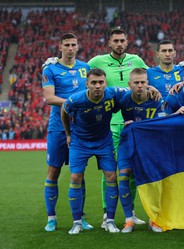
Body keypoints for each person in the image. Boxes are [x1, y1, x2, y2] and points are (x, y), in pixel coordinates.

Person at [88, 28, 147, 226]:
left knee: (133, 171)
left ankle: (130, 212)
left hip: (134, 123)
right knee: (110, 170)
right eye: (116, 40)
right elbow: (81, 73)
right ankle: (107, 213)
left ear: (127, 41)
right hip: (110, 124)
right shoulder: (97, 61)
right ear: (109, 43)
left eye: (122, 40)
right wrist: (55, 59)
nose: (119, 43)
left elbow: (148, 80)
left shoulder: (137, 60)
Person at [41, 33, 92, 232]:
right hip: (58, 128)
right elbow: (49, 98)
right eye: (67, 45)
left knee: (79, 173)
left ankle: (80, 218)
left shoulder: (85, 68)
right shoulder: (50, 68)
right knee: (54, 171)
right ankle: (51, 218)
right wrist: (75, 102)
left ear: (78, 47)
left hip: (80, 128)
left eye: (73, 45)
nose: (70, 48)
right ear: (60, 47)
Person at [60, 68, 120, 234]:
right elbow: (64, 110)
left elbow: (132, 92)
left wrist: (151, 88)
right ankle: (77, 222)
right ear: (87, 84)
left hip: (104, 141)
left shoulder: (113, 93)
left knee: (112, 176)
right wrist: (68, 133)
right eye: (93, 83)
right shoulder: (76, 99)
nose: (97, 86)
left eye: (101, 82)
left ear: (106, 83)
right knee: (75, 176)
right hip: (80, 142)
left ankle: (110, 220)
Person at [116, 68, 166, 233]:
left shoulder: (156, 99)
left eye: (143, 82)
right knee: (124, 175)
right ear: (129, 84)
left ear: (147, 83)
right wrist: (123, 125)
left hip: (149, 143)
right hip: (127, 141)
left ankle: (154, 219)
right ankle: (128, 220)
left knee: (152, 178)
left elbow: (162, 123)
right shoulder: (123, 99)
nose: (139, 85)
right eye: (136, 83)